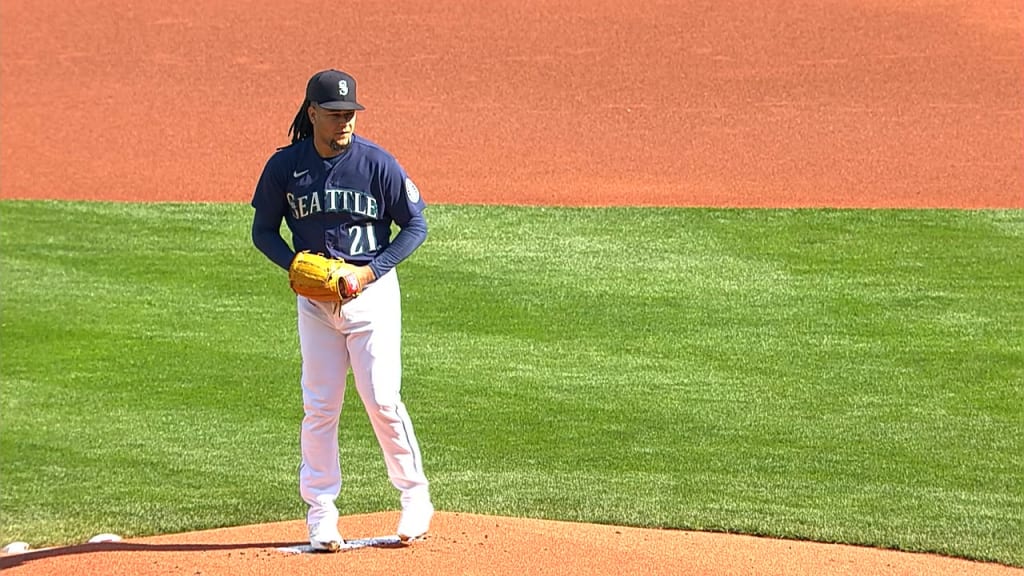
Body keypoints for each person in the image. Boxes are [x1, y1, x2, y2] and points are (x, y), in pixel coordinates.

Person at [250, 69, 433, 552]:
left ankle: (415, 497)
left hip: (371, 297)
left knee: (381, 398)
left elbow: (415, 226)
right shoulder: (286, 167)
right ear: (312, 114)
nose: (344, 123)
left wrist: (370, 273)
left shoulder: (377, 164)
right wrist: (294, 264)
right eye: (334, 115)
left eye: (349, 114)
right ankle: (321, 515)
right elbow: (262, 230)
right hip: (315, 303)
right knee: (320, 406)